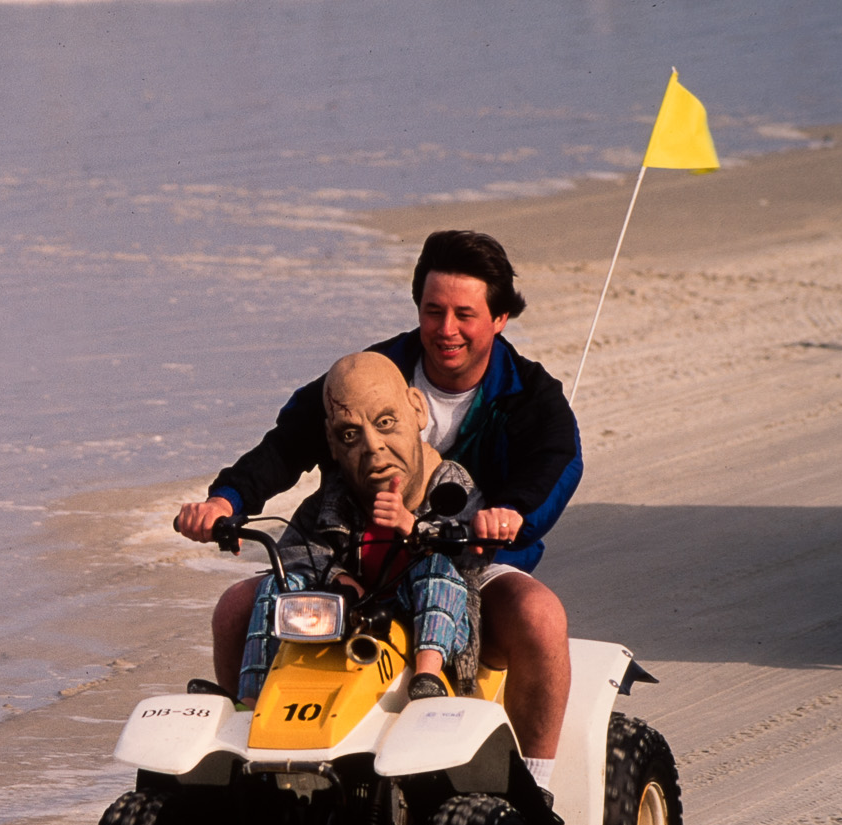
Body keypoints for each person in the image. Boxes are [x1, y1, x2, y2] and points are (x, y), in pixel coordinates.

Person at [176, 230, 579, 794]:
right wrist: (228, 499)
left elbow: (557, 465)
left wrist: (511, 515)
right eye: (433, 311)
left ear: (501, 317)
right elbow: (288, 442)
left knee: (540, 616)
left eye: (465, 314)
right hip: (355, 555)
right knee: (236, 607)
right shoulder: (372, 372)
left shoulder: (530, 395)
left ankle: (538, 794)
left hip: (468, 559)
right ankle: (253, 765)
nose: (446, 330)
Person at [236, 352, 488, 705]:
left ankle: (428, 677)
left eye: (385, 422)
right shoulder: (334, 499)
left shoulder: (450, 486)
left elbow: (471, 551)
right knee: (276, 586)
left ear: (417, 410)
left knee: (437, 570)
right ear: (333, 443)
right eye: (350, 434)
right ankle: (250, 700)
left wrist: (410, 525)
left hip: (427, 620)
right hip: (350, 619)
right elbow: (294, 549)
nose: (372, 446)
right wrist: (338, 578)